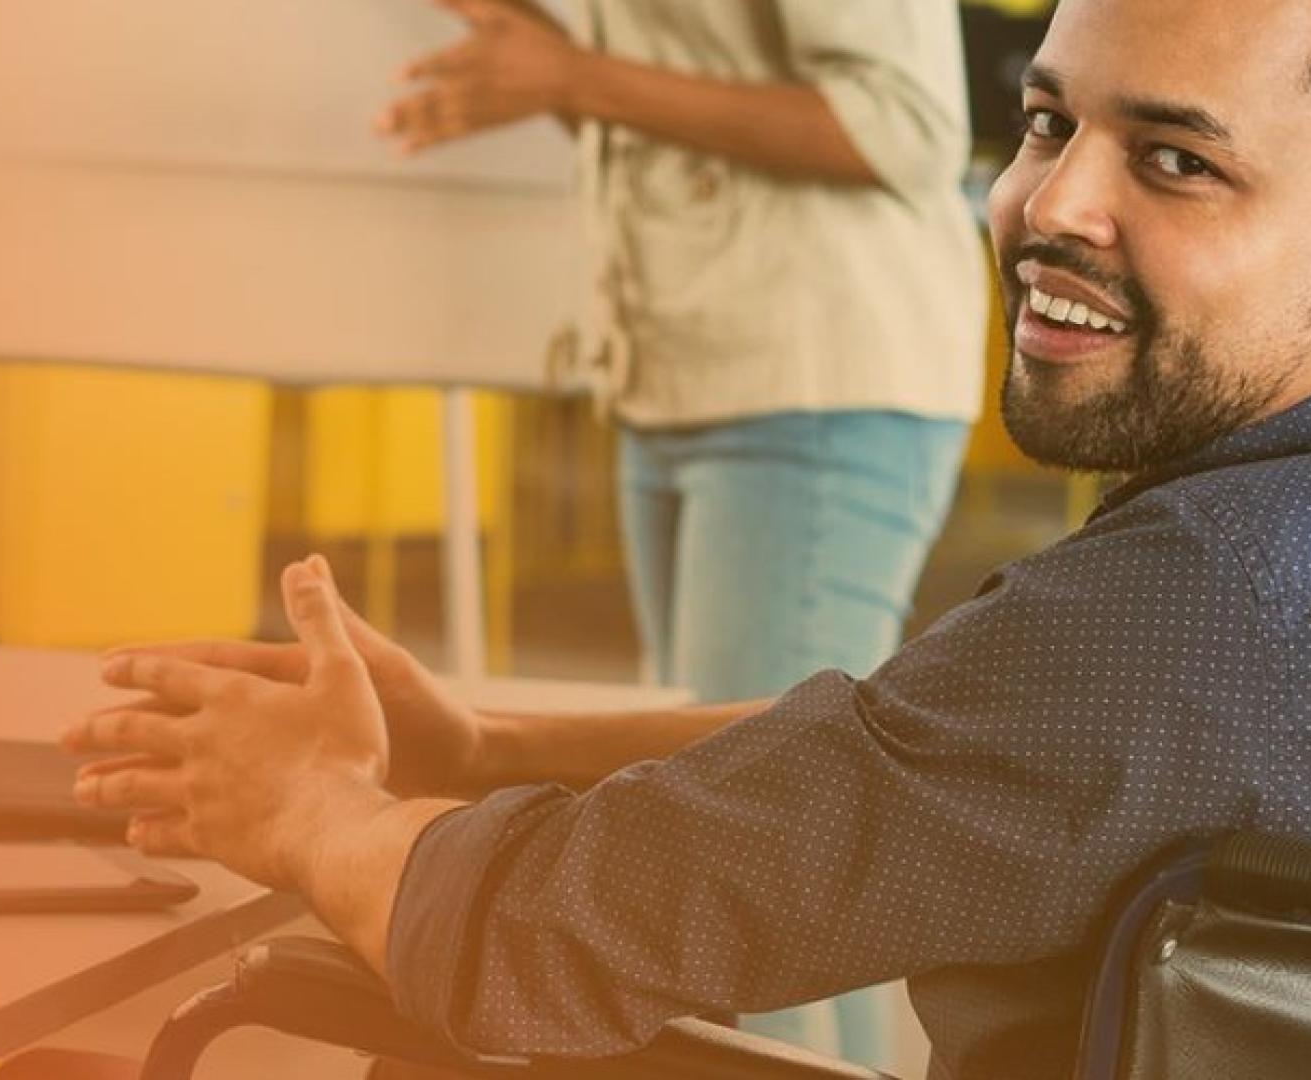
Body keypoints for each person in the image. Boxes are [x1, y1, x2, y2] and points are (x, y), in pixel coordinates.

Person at [61, 0, 1311, 1076]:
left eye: (1175, 162)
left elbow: (530, 932)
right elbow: (918, 746)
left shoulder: (1203, 608)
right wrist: (488, 749)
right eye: (1049, 125)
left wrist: (307, 809)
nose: (1050, 207)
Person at [374, 1, 987, 1058]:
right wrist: (541, 59)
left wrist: (571, 74)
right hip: (684, 370)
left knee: (750, 866)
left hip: (812, 378)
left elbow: (903, 124)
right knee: (780, 856)